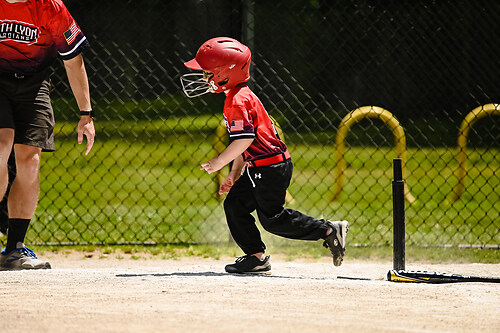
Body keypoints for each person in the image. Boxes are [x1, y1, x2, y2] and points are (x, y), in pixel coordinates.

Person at [180, 37, 349, 274]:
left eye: (208, 72)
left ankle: (329, 231)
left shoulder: (237, 100)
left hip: (270, 169)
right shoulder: (238, 95)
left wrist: (219, 162)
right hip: (259, 167)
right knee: (235, 205)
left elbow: (244, 140)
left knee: (273, 219)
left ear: (225, 73)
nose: (204, 78)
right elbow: (243, 143)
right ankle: (255, 257)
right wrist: (234, 174)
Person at [0, 0, 95, 270]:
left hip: (33, 83)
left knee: (30, 160)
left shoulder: (50, 7)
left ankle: (14, 250)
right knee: (2, 144)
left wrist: (85, 114)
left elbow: (73, 60)